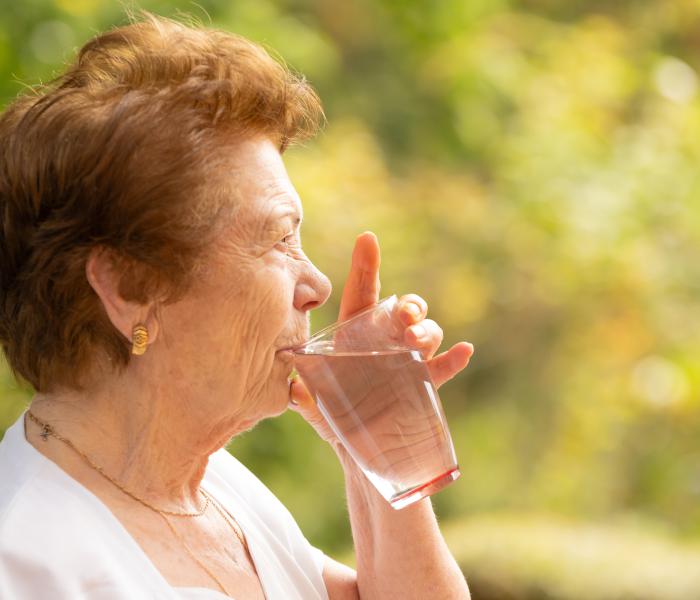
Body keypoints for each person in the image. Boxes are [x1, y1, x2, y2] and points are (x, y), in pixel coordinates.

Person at [0, 12, 474, 599]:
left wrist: (370, 439)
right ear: (130, 288)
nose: (318, 285)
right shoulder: (26, 563)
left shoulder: (217, 491)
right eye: (278, 239)